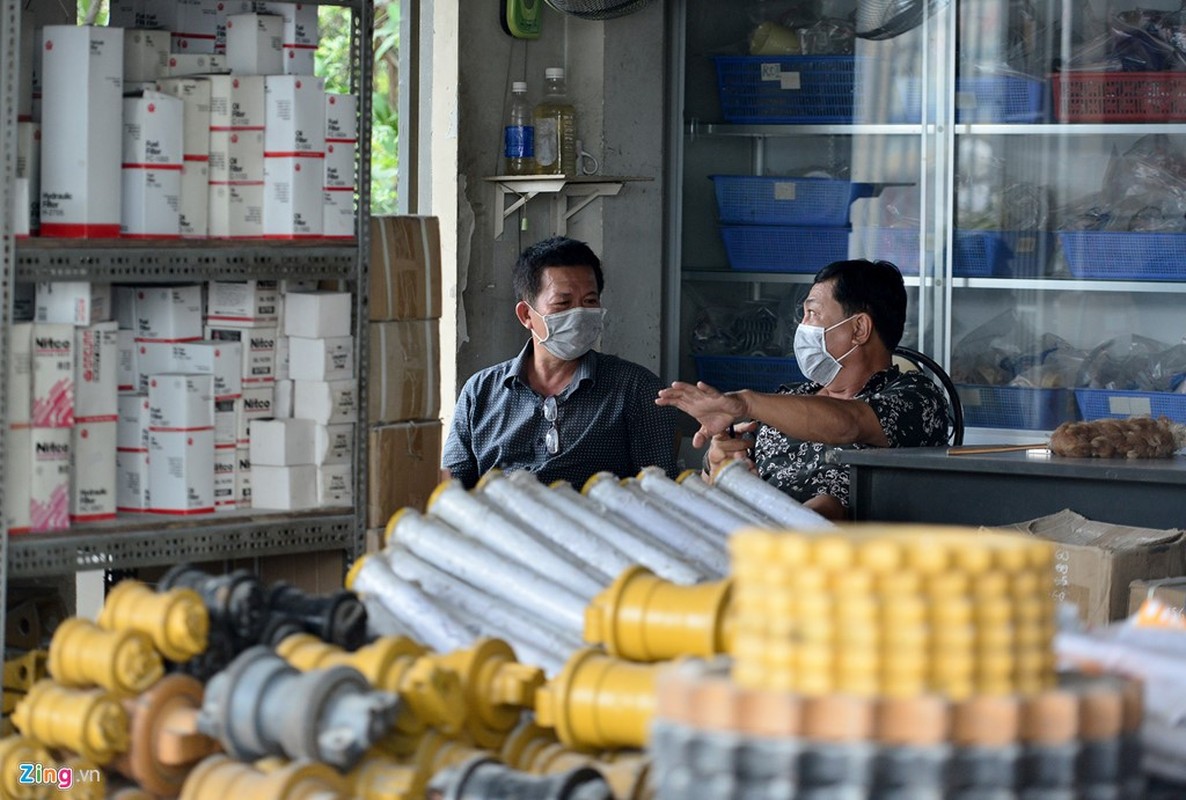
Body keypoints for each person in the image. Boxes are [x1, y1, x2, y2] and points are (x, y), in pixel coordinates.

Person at [656, 258, 949, 521]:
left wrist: (745, 402)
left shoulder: (917, 398)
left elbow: (849, 423)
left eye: (813, 314)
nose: (802, 325)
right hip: (750, 540)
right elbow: (721, 486)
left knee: (827, 505)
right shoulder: (789, 399)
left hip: (852, 559)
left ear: (859, 328)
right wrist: (718, 463)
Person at [442, 236, 678, 489]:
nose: (578, 314)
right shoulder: (481, 392)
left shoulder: (635, 388)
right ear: (526, 315)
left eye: (589, 301)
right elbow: (451, 491)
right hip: (497, 523)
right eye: (563, 304)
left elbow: (660, 491)